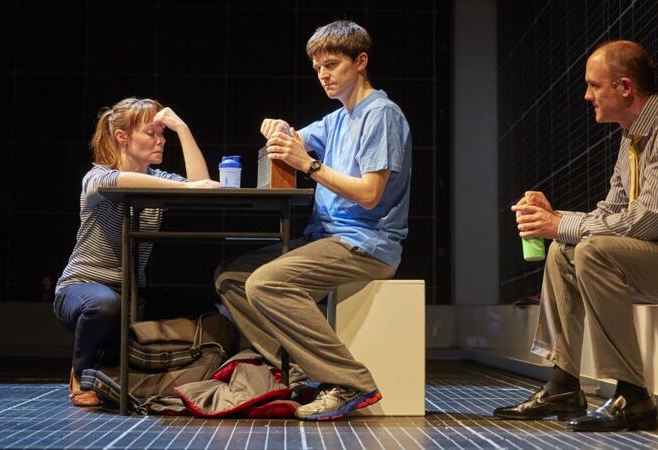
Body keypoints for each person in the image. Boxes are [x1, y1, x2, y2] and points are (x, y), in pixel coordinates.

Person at [493, 40, 658, 431]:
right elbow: (613, 213)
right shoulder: (631, 138)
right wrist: (555, 219)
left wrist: (558, 225)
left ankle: (632, 395)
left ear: (624, 87)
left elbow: (651, 222)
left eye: (594, 86)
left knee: (593, 252)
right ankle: (563, 384)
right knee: (565, 252)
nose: (587, 96)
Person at [214, 20, 412, 421]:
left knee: (268, 282)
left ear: (361, 61)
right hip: (324, 238)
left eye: (333, 64)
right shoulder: (337, 119)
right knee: (231, 278)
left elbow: (370, 194)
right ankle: (304, 374)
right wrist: (276, 128)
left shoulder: (381, 115)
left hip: (366, 242)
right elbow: (293, 139)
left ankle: (351, 382)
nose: (324, 74)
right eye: (318, 67)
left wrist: (310, 165)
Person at [54, 98, 219, 407]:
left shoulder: (159, 182)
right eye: (151, 133)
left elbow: (201, 185)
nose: (160, 141)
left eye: (162, 134)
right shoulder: (97, 177)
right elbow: (120, 181)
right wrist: (185, 189)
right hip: (81, 291)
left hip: (132, 295)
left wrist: (182, 128)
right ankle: (82, 373)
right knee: (104, 306)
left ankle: (136, 369)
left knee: (201, 307)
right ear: (122, 137)